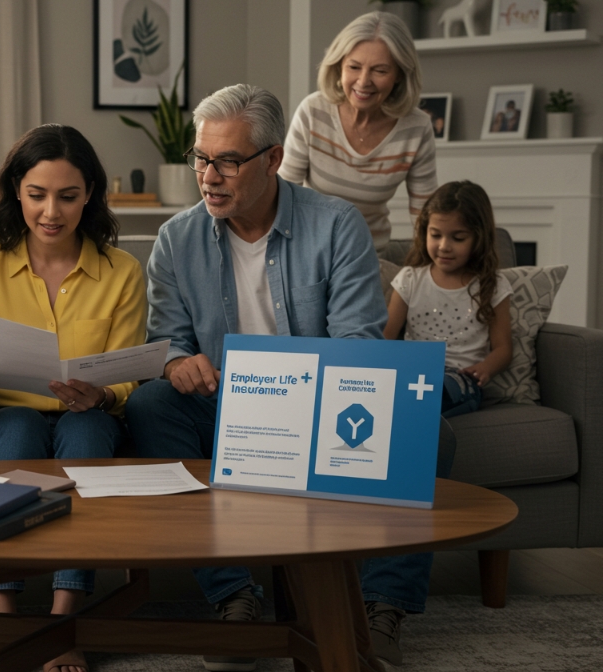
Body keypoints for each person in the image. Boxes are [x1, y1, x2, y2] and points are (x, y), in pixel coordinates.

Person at [124, 83, 389, 672]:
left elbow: (360, 346)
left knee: (427, 436)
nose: (208, 175)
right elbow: (167, 341)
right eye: (201, 157)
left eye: (227, 161)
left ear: (272, 159)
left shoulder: (337, 225)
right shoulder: (177, 237)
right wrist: (175, 363)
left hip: (320, 405)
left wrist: (293, 389)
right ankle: (233, 592)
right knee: (150, 407)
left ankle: (380, 606)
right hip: (226, 404)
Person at [0, 124, 147, 672]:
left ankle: (63, 619)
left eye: (68, 196)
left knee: (81, 437)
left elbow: (129, 372)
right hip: (7, 413)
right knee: (19, 432)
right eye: (37, 195)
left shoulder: (122, 271)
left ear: (90, 196)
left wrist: (102, 392)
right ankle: (2, 612)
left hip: (90, 415)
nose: (51, 211)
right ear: (16, 191)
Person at [279, 11, 437, 252]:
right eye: (354, 67)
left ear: (399, 75)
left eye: (380, 70)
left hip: (370, 257)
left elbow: (424, 216)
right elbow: (281, 196)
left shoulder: (416, 127)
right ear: (339, 66)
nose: (363, 82)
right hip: (307, 252)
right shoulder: (313, 112)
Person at [384, 181, 512, 417]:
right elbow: (385, 337)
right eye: (435, 235)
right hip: (414, 375)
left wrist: (485, 368)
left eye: (458, 238)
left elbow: (503, 348)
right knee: (404, 390)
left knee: (442, 390)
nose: (444, 246)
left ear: (478, 238)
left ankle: (413, 413)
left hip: (461, 380)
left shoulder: (492, 285)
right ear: (425, 232)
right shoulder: (410, 279)